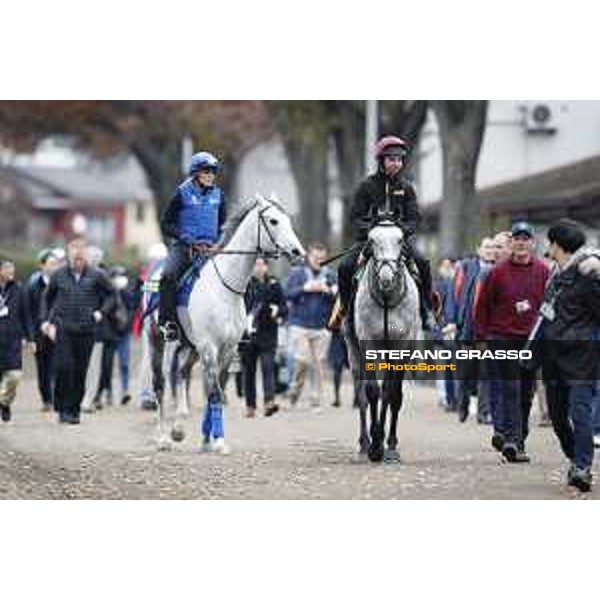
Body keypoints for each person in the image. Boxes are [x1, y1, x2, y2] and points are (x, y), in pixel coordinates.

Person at [329, 135, 433, 331]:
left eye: (399, 159)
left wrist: (401, 231)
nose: (396, 163)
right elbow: (354, 217)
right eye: (392, 159)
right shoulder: (366, 186)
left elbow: (414, 218)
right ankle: (345, 310)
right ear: (381, 161)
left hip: (397, 241)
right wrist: (370, 231)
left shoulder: (407, 188)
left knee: (423, 262)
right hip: (371, 240)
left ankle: (426, 311)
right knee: (345, 266)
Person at [475, 222, 549, 463]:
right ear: (511, 243)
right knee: (510, 388)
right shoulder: (497, 272)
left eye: (525, 238)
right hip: (501, 338)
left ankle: (518, 439)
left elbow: (550, 306)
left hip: (530, 341)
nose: (520, 242)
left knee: (525, 393)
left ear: (532, 243)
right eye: (517, 238)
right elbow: (482, 306)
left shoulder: (542, 271)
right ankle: (511, 440)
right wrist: (481, 338)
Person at [541, 219, 600, 492]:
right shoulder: (554, 275)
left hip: (581, 356)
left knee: (581, 411)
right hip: (553, 357)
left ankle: (583, 467)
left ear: (557, 245)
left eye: (549, 242)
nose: (547, 247)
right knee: (557, 415)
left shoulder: (588, 274)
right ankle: (575, 457)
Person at [40, 238, 116, 425]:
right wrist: (44, 322)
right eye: (74, 256)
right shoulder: (59, 275)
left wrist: (101, 313)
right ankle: (62, 408)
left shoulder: (97, 275)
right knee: (64, 368)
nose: (77, 259)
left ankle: (74, 410)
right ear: (68, 256)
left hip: (87, 330)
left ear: (86, 257)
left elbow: (112, 295)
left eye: (81, 256)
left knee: (80, 372)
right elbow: (46, 298)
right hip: (64, 329)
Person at [159, 151, 226, 342]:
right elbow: (165, 224)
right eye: (207, 171)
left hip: (211, 250)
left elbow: (223, 225)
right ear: (196, 173)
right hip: (185, 248)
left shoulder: (219, 195)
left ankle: (241, 330)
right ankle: (168, 324)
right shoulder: (181, 193)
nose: (211, 175)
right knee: (168, 276)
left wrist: (219, 243)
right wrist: (186, 239)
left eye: (213, 172)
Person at [447, 238, 496, 423]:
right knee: (465, 371)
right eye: (487, 247)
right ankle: (463, 405)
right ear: (478, 249)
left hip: (487, 332)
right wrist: (452, 320)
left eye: (493, 247)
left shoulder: (497, 269)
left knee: (485, 372)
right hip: (467, 329)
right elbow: (454, 294)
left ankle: (483, 413)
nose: (490, 251)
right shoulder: (466, 267)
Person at [286, 243, 336, 411]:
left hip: (322, 326)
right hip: (299, 324)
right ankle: (295, 390)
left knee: (318, 363)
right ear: (308, 256)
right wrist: (304, 288)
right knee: (303, 359)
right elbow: (287, 294)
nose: (319, 261)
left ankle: (315, 400)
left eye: (322, 259)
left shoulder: (330, 275)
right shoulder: (297, 273)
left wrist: (328, 290)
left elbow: (339, 299)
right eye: (316, 258)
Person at [241, 257, 287, 418]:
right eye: (256, 264)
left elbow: (284, 307)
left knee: (268, 367)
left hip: (268, 334)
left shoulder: (274, 284)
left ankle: (269, 402)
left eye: (262, 264)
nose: (259, 268)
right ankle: (250, 405)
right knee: (249, 372)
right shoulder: (245, 284)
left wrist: (278, 312)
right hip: (248, 334)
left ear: (267, 267)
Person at [0, 260, 34, 423]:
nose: (11, 271)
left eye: (13, 268)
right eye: (7, 269)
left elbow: (27, 315)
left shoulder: (19, 289)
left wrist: (30, 338)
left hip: (12, 340)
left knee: (14, 376)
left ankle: (4, 402)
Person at [26, 249, 60, 411]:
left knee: (56, 367)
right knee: (42, 369)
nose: (54, 267)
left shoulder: (60, 283)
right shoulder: (33, 285)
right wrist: (30, 337)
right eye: (51, 264)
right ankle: (46, 399)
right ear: (42, 265)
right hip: (39, 335)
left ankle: (54, 398)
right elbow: (29, 312)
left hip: (56, 332)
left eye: (56, 264)